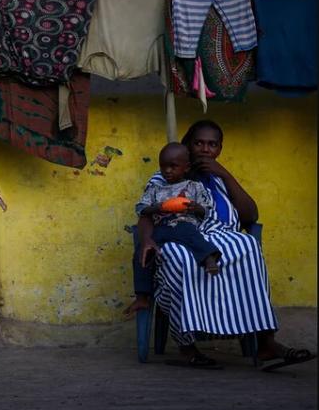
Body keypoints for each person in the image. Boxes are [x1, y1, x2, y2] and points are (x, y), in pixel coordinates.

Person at [124, 120, 314, 370]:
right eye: (199, 143)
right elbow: (146, 214)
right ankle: (187, 347)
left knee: (247, 246)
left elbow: (250, 216)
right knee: (179, 257)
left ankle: (266, 342)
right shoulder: (166, 175)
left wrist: (224, 173)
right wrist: (147, 238)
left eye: (212, 145)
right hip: (179, 235)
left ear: (219, 149)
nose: (205, 149)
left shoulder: (219, 178)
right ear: (187, 145)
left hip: (221, 235)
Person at [135, 142, 221, 275]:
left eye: (173, 166)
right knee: (143, 250)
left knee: (193, 236)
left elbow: (207, 210)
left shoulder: (194, 187)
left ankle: (209, 259)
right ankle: (142, 292)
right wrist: (155, 208)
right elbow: (140, 208)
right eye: (163, 166)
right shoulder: (155, 188)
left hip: (184, 225)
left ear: (186, 168)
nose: (167, 170)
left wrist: (196, 208)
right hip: (160, 227)